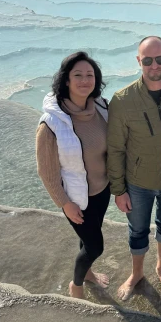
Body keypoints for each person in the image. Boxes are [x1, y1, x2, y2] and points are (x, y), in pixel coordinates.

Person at [107, 36, 161, 300]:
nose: (155, 66)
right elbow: (116, 149)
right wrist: (118, 190)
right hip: (138, 183)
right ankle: (137, 273)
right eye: (147, 60)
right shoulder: (122, 100)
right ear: (138, 61)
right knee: (138, 231)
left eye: (160, 59)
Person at [36, 51, 110, 300]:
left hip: (102, 190)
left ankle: (87, 273)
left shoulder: (101, 106)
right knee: (95, 246)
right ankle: (76, 285)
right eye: (77, 75)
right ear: (66, 80)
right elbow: (46, 173)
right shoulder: (51, 123)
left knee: (88, 239)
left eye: (90, 75)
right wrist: (64, 203)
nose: (84, 80)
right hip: (76, 197)